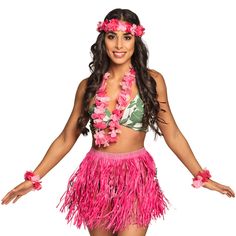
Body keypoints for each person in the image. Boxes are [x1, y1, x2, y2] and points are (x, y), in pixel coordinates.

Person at [1, 8, 235, 236]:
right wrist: (34, 179)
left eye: (127, 37)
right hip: (96, 176)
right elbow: (66, 138)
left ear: (136, 41)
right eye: (112, 37)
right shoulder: (88, 86)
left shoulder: (152, 81)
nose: (119, 45)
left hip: (135, 176)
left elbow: (171, 132)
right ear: (103, 40)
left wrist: (202, 177)